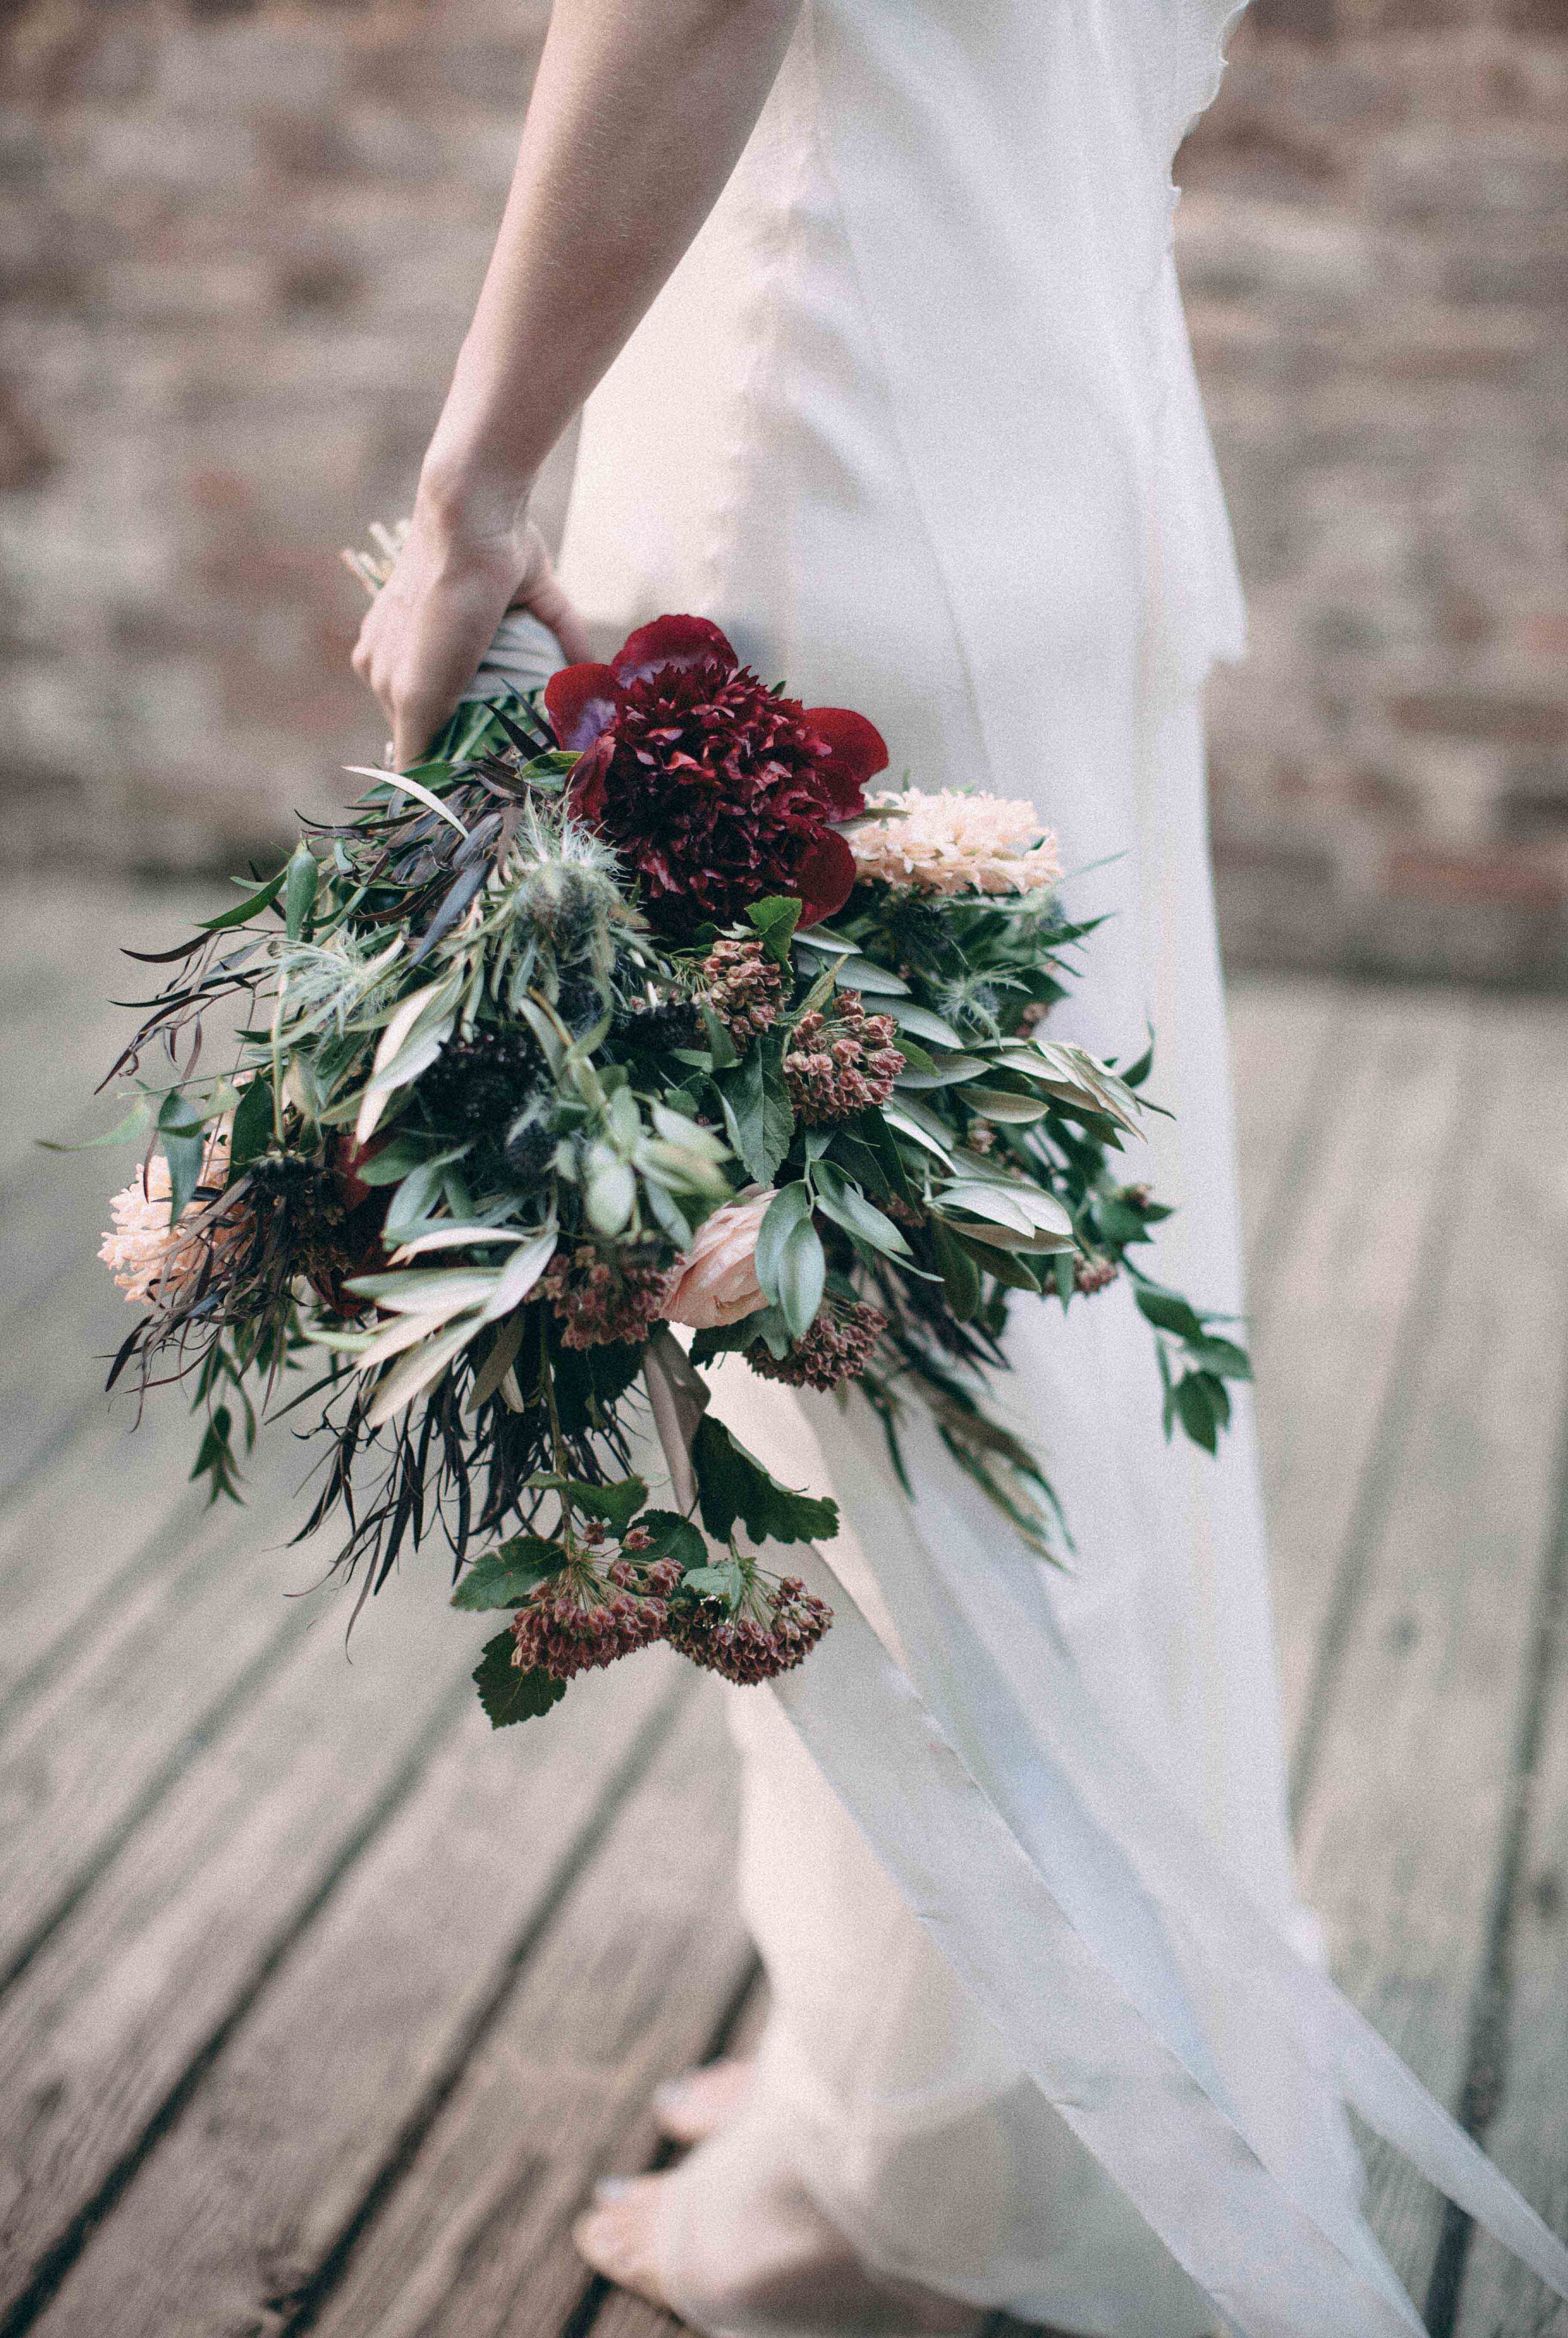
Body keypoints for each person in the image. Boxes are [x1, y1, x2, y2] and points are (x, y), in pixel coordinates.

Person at [352, 4, 1568, 2332]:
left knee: (889, 1345)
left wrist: (472, 486)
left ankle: (940, 2173)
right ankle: (908, 2061)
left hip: (826, 418)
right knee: (995, 1295)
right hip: (1037, 406)